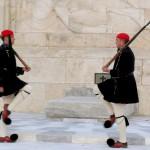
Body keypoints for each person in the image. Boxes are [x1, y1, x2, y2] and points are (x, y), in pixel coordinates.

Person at [98, 33, 139, 148]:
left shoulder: (127, 54)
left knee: (120, 114)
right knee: (96, 87)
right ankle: (112, 115)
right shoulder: (121, 50)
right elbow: (118, 70)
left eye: (117, 40)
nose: (115, 42)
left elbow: (124, 72)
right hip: (116, 81)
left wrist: (108, 71)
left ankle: (123, 141)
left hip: (124, 86)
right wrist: (108, 72)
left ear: (122, 41)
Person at [0, 29, 31, 142]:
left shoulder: (9, 50)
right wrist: (1, 84)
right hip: (6, 82)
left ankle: (2, 136)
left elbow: (11, 69)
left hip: (9, 79)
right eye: (12, 37)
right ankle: (7, 111)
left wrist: (22, 69)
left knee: (4, 106)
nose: (14, 39)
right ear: (7, 38)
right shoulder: (2, 51)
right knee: (28, 88)